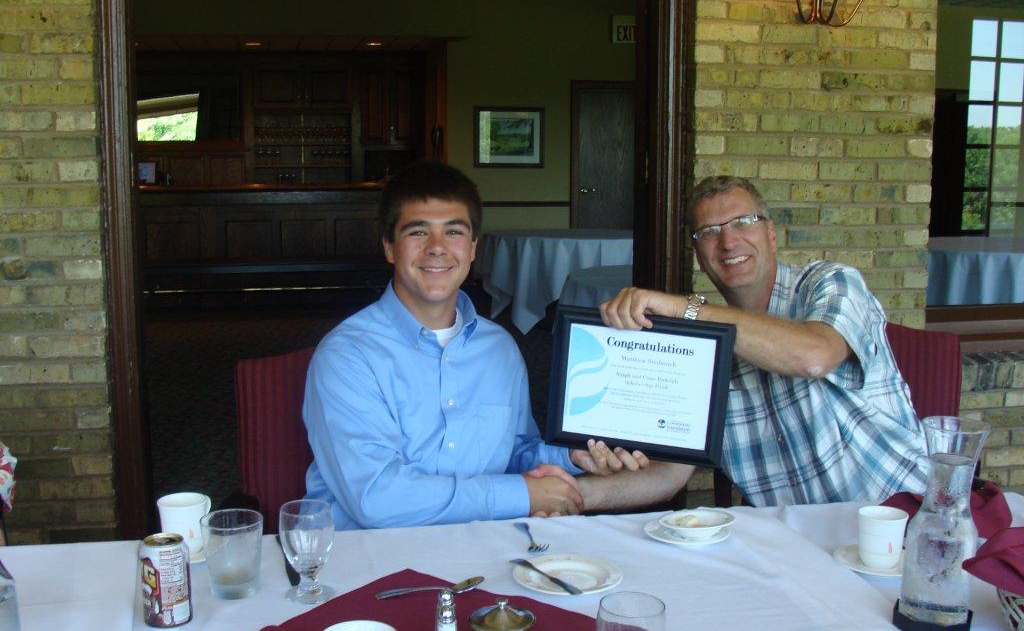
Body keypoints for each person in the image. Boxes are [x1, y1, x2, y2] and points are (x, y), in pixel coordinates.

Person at [303, 162, 645, 530]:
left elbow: (514, 452)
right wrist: (523, 495)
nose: (437, 248)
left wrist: (576, 456)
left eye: (454, 232)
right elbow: (377, 499)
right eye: (418, 232)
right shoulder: (348, 356)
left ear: (472, 248)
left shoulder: (499, 348)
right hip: (370, 561)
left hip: (482, 548)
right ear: (389, 247)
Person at [599, 175, 929, 507]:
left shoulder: (830, 283)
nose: (728, 242)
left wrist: (686, 307)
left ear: (771, 233)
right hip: (795, 546)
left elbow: (814, 356)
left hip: (902, 520)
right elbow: (670, 473)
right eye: (709, 232)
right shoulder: (700, 349)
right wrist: (569, 494)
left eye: (743, 222)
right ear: (699, 254)